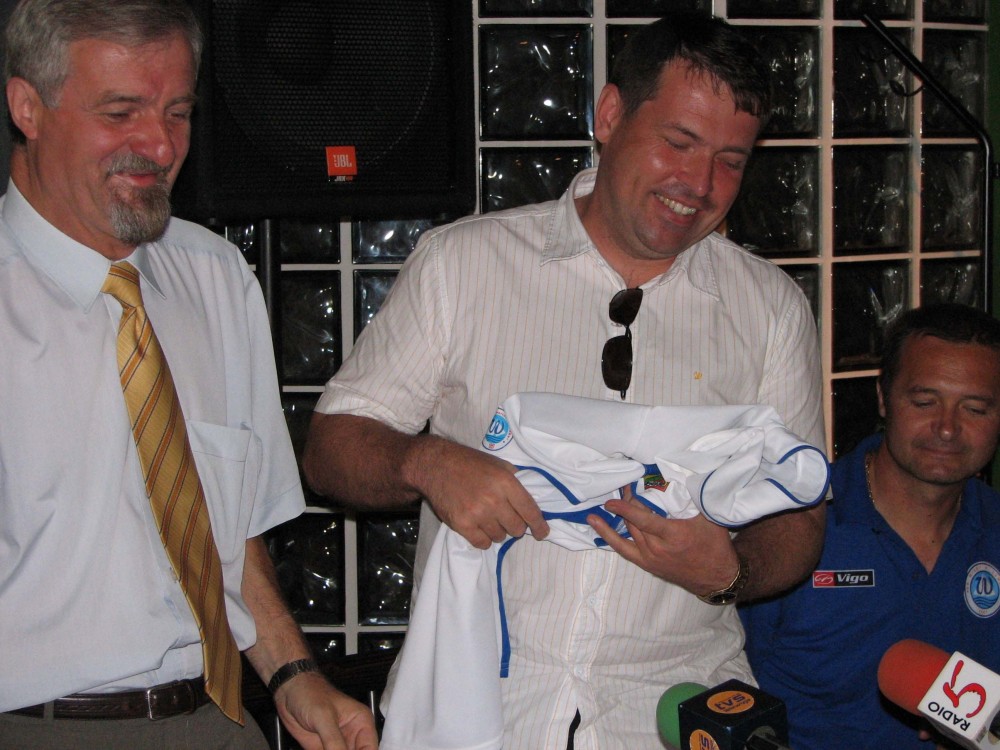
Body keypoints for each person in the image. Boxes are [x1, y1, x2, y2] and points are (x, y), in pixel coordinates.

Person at [304, 11, 825, 750]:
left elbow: (801, 521)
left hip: (675, 714)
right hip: (479, 705)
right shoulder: (462, 264)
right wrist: (425, 461)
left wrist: (730, 571)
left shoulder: (771, 308)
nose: (700, 184)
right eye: (678, 142)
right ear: (609, 115)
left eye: (731, 160)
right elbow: (330, 449)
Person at [0, 1, 377, 749]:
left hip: (216, 719)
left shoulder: (215, 277)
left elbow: (229, 536)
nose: (160, 144)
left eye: (178, 112)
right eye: (121, 112)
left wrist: (293, 675)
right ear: (27, 108)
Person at [740, 303, 1000, 750]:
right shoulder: (791, 526)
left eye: (975, 409)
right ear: (883, 398)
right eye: (924, 402)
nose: (946, 429)